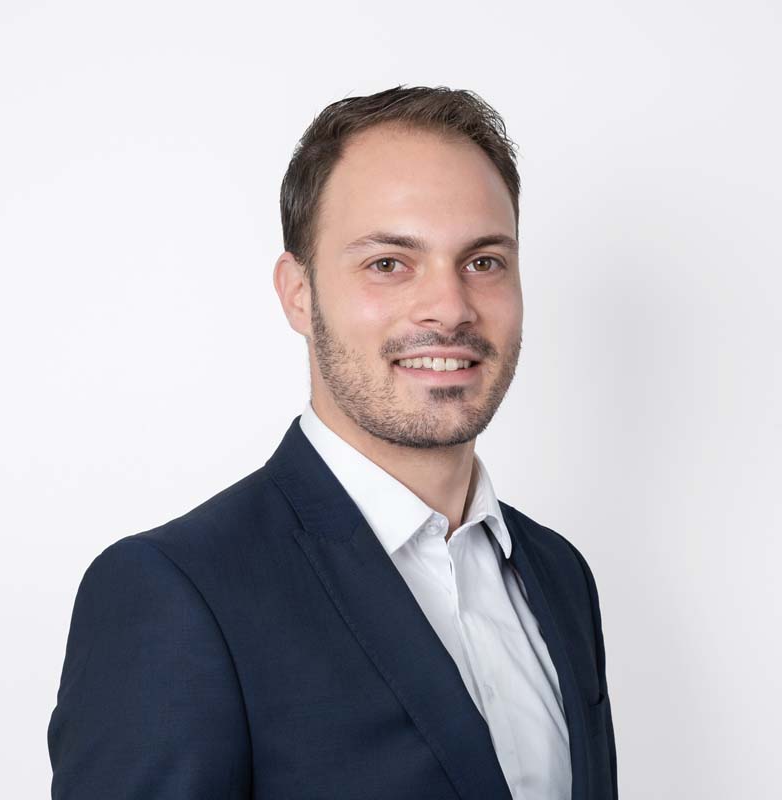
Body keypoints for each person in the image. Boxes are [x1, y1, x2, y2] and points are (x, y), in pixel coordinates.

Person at [48, 85, 618, 800]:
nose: (449, 307)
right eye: (388, 263)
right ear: (298, 293)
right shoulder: (176, 594)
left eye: (483, 262)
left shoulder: (560, 575)